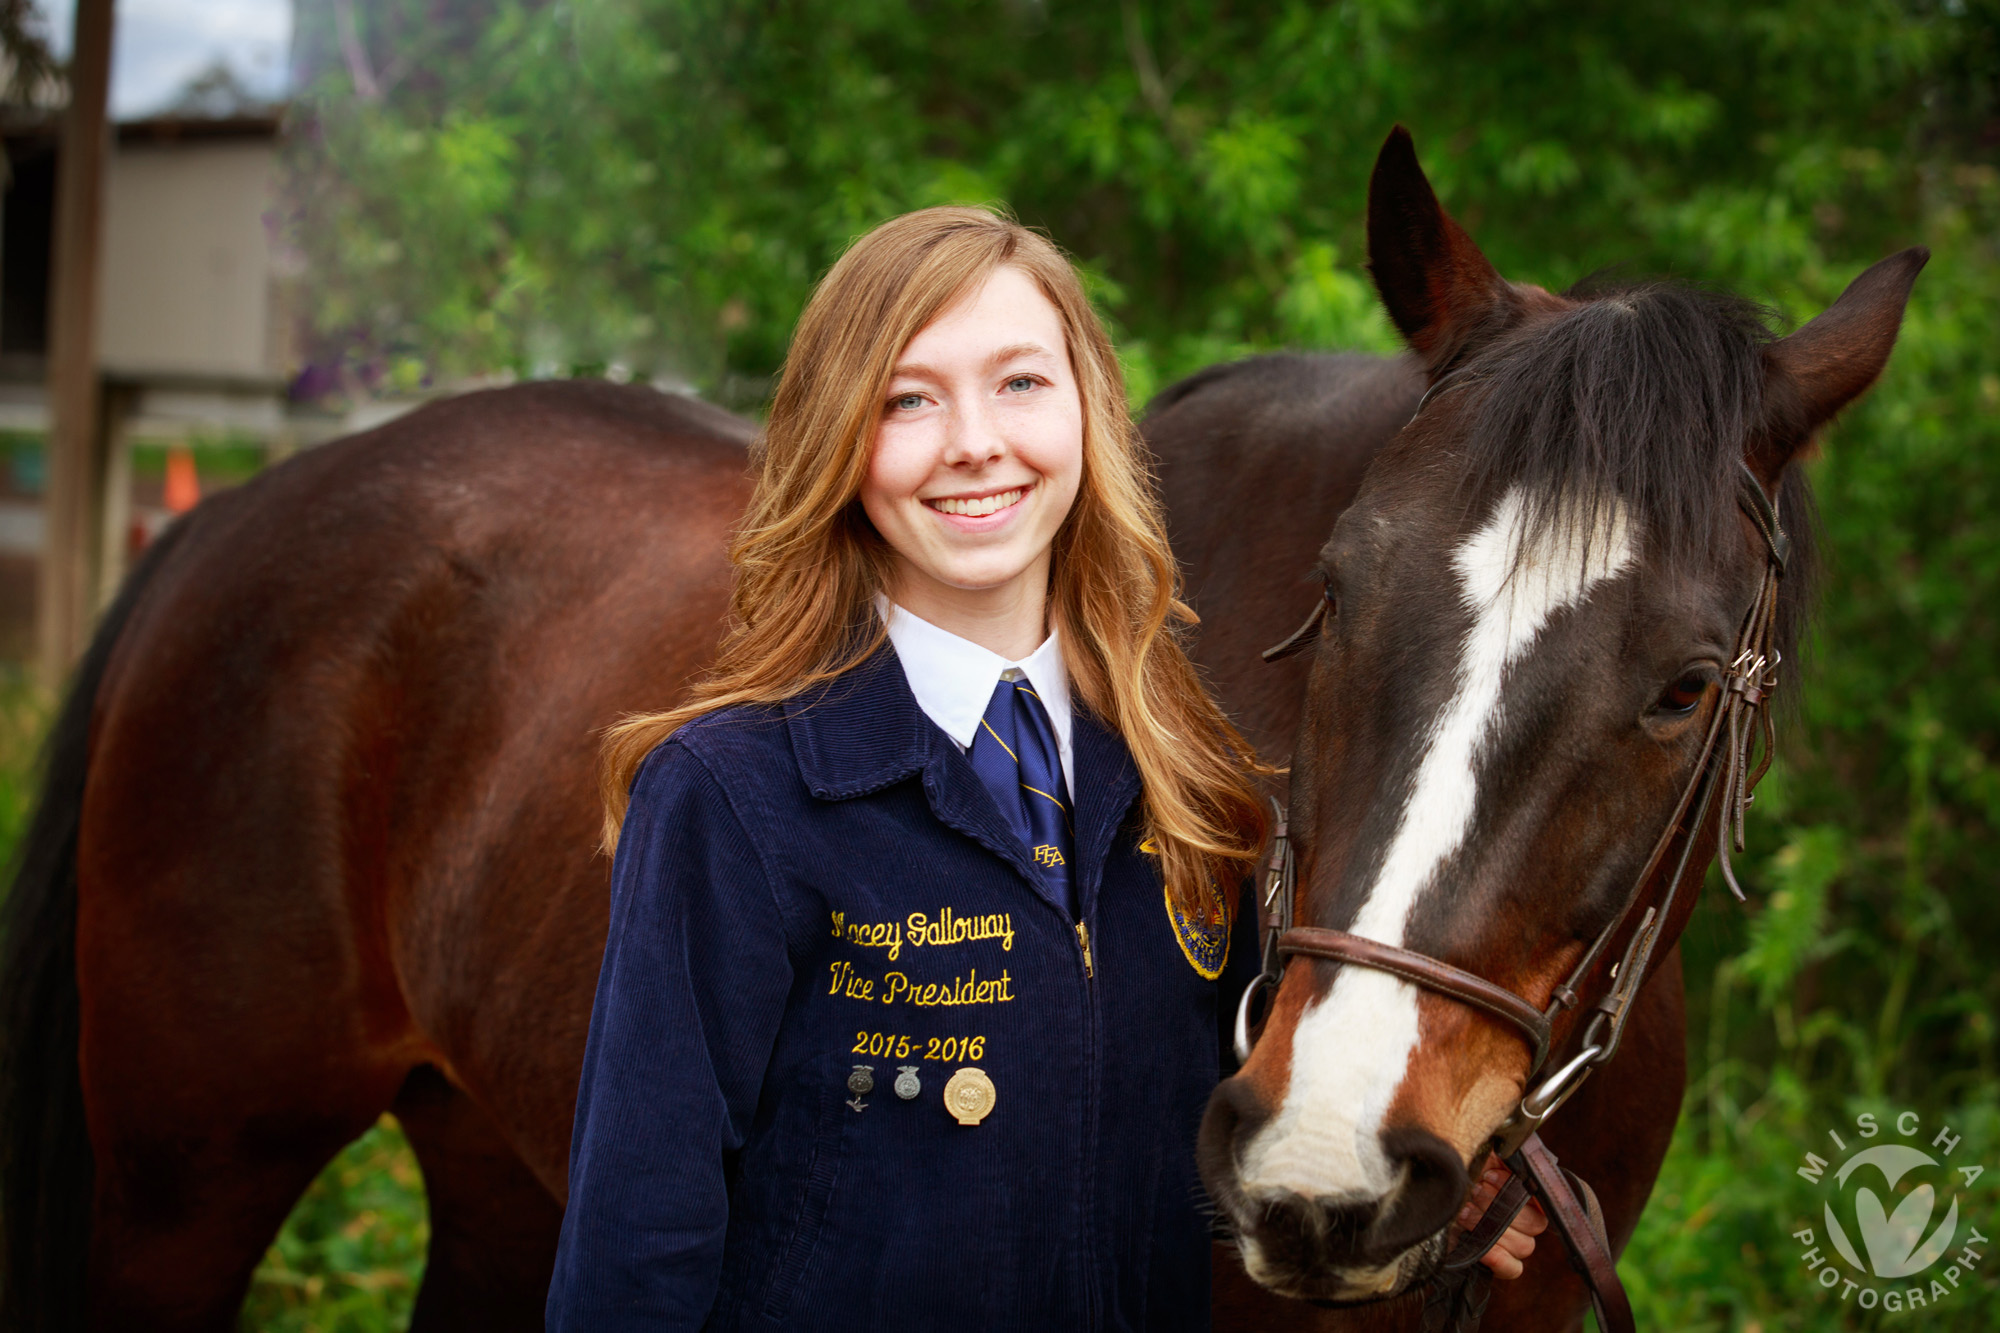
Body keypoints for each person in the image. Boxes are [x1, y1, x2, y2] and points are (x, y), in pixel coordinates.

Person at [546, 206, 1542, 1331]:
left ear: (1088, 415)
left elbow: (1145, 1148)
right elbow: (636, 1244)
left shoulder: (1192, 787)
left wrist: (1397, 1196)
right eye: (907, 399)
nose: (974, 440)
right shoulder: (733, 793)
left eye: (1019, 383)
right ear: (839, 441)